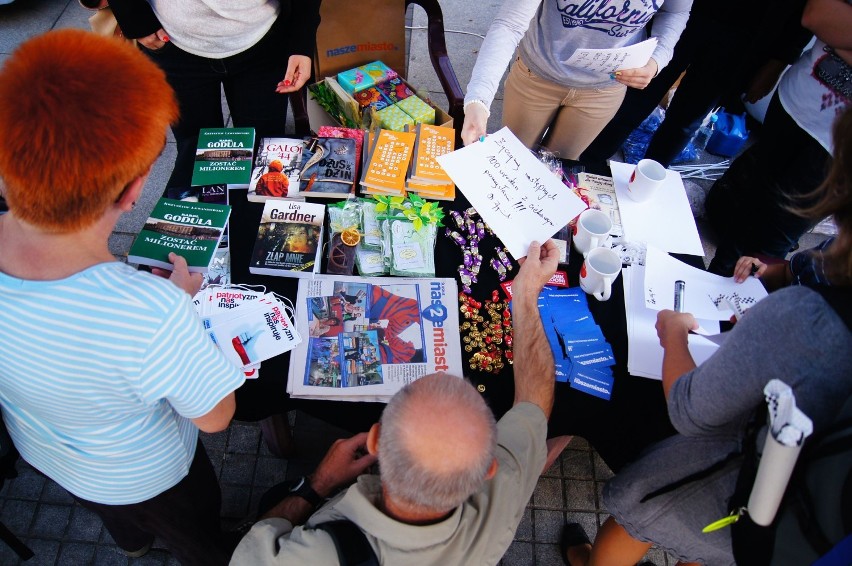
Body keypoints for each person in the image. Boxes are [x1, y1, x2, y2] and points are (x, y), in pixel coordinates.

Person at [562, 105, 852, 566]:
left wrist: (674, 334)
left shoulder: (809, 319)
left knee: (648, 515)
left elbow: (691, 410)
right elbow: (819, 265)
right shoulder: (824, 288)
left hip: (737, 478)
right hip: (800, 507)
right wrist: (775, 273)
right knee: (714, 550)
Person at [0, 30, 245, 565]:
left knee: (115, 517)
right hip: (147, 473)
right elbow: (217, 417)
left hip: (45, 450)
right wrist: (181, 306)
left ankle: (132, 546)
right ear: (136, 191)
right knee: (197, 536)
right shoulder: (151, 312)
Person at [230, 240, 560, 565]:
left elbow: (245, 553)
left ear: (375, 440)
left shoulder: (311, 556)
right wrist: (526, 294)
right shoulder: (502, 501)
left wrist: (316, 487)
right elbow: (533, 405)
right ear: (489, 469)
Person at [704, 0, 851, 276]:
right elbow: (816, 15)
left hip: (840, 149)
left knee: (774, 243)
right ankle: (710, 291)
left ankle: (738, 313)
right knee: (746, 210)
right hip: (794, 105)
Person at [109, 0, 321, 189]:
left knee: (264, 153)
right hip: (174, 42)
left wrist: (302, 40)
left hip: (264, 39)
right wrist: (133, 16)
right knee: (197, 158)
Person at [580, 0, 811, 167]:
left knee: (687, 120)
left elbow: (804, 14)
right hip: (687, 11)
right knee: (637, 96)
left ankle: (647, 179)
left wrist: (778, 62)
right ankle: (589, 163)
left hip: (748, 38)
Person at [461, 0, 692, 159]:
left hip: (605, 88)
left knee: (560, 167)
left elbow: (675, 10)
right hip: (537, 74)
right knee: (511, 156)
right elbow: (509, 24)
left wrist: (657, 59)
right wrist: (478, 101)